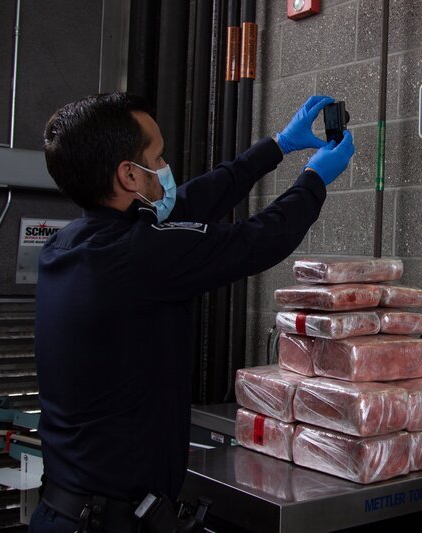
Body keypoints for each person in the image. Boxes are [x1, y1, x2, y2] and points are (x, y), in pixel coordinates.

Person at [30, 92, 354, 532]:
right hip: (106, 523)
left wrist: (276, 147)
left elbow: (189, 205)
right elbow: (256, 240)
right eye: (157, 157)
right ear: (128, 175)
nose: (165, 168)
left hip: (67, 511)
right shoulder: (137, 257)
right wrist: (314, 179)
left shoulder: (67, 248)